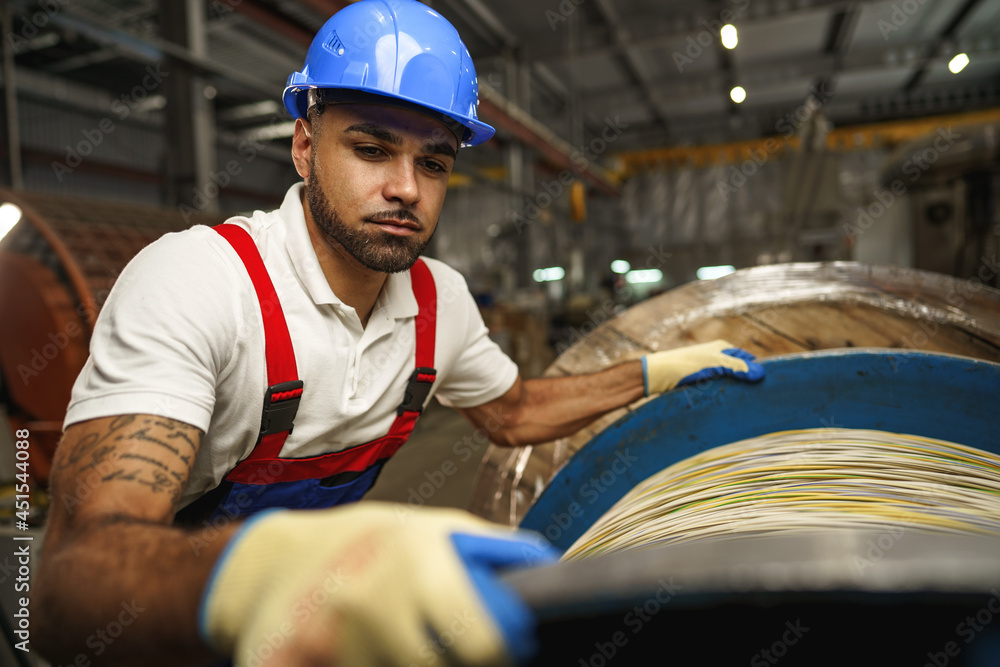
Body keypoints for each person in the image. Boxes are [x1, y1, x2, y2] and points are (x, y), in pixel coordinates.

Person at [34, 1, 765, 665]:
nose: (407, 189)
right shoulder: (200, 282)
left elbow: (513, 413)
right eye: (372, 148)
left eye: (433, 163)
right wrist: (254, 571)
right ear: (302, 147)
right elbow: (69, 581)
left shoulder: (440, 302)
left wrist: (651, 373)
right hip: (168, 628)